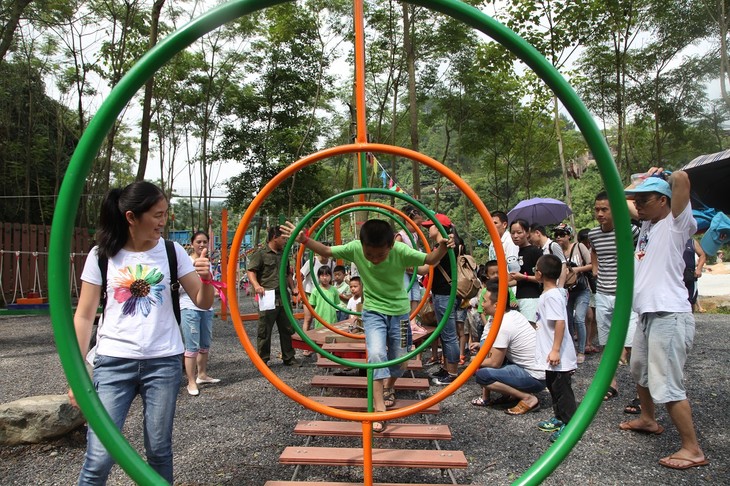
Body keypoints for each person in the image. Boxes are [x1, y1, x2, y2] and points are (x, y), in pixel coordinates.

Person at [70, 181, 214, 484]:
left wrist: (208, 280)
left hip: (162, 361)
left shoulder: (173, 252)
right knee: (99, 456)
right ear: (131, 217)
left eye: (165, 214)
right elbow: (84, 315)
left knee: (159, 450)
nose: (163, 222)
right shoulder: (102, 255)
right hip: (112, 362)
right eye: (157, 215)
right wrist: (75, 374)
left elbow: (201, 301)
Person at [281, 218, 454, 433]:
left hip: (400, 315)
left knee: (402, 360)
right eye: (369, 254)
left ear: (390, 246)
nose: (374, 259)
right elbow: (326, 250)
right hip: (373, 313)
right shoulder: (355, 249)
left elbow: (429, 260)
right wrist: (305, 240)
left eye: (379, 255)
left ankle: (389, 387)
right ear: (361, 246)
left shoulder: (400, 250)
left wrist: (444, 246)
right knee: (376, 356)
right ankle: (379, 409)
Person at [620, 169, 708, 471]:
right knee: (639, 369)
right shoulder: (648, 223)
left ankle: (692, 448)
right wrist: (642, 180)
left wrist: (667, 174)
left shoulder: (677, 223)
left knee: (667, 383)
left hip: (669, 314)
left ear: (663, 200)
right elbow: (623, 198)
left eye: (645, 200)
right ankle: (648, 418)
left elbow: (682, 180)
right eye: (639, 201)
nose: (639, 204)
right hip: (648, 314)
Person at [588, 191, 640, 401]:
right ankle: (611, 384)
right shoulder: (593, 234)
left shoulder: (630, 231)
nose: (599, 214)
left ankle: (640, 392)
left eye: (604, 209)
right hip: (603, 293)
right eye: (597, 209)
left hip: (626, 295)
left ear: (615, 210)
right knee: (606, 344)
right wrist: (594, 267)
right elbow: (594, 250)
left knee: (632, 346)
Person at [470, 280, 546, 414]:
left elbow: (494, 362)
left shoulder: (504, 325)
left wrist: (472, 362)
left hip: (535, 377)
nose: (481, 304)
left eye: (485, 301)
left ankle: (527, 398)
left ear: (496, 305)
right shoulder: (513, 315)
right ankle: (511, 395)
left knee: (482, 375)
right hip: (540, 371)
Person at [533, 254, 577, 443]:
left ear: (539, 274)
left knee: (562, 390)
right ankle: (559, 418)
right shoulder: (554, 293)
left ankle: (571, 424)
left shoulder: (552, 296)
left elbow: (560, 322)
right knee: (553, 386)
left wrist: (556, 349)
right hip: (551, 353)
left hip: (558, 355)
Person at [247, 226, 300, 367]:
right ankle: (263, 360)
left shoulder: (284, 254)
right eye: (283, 238)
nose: (285, 241)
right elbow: (251, 271)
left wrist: (293, 288)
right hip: (268, 295)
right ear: (274, 237)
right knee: (265, 329)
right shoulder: (261, 254)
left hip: (283, 295)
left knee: (287, 327)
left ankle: (289, 357)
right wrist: (256, 285)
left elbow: (288, 273)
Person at [421, 213, 464, 385]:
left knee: (448, 335)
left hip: (445, 294)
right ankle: (447, 368)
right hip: (444, 293)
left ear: (438, 227)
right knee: (446, 333)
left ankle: (452, 373)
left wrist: (403, 264)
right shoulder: (448, 243)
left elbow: (425, 268)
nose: (427, 229)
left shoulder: (444, 245)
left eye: (429, 226)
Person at [180, 231, 220, 397]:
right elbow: (181, 286)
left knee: (205, 343)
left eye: (205, 242)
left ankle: (202, 375)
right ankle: (190, 381)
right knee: (192, 346)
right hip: (189, 307)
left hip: (206, 308)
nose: (202, 245)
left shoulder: (207, 262)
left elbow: (208, 283)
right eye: (198, 242)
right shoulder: (186, 262)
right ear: (192, 243)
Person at [554, 224, 592, 364]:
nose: (558, 237)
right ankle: (571, 350)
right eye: (556, 234)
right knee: (567, 320)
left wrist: (576, 270)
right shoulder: (556, 251)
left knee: (579, 319)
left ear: (568, 235)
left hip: (582, 289)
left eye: (562, 234)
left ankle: (581, 350)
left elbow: (592, 264)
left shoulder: (579, 247)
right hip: (566, 291)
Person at [395, 205, 426, 331]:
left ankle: (412, 321)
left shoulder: (415, 236)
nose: (419, 228)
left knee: (416, 295)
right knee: (406, 295)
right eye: (417, 224)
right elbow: (395, 254)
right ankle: (404, 321)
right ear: (408, 221)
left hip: (413, 271)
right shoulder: (400, 236)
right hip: (403, 271)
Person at [508, 219, 543, 324]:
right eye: (513, 233)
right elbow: (519, 279)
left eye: (519, 232)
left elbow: (542, 278)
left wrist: (523, 277)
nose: (515, 236)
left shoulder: (535, 252)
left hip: (532, 298)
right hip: (520, 298)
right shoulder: (517, 252)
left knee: (531, 329)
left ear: (527, 233)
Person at [299, 251, 334, 330]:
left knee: (324, 316)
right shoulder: (312, 261)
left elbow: (333, 279)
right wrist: (299, 291)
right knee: (308, 318)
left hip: (323, 293)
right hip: (310, 292)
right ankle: (305, 338)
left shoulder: (332, 263)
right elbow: (301, 275)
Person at [577, 228, 599, 354]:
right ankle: (586, 343)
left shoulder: (595, 249)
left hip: (594, 284)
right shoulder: (581, 249)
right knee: (588, 316)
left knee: (594, 316)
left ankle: (589, 342)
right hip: (586, 285)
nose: (588, 244)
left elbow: (592, 264)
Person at [682, 239, 706, 313]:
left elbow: (702, 255)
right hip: (674, 274)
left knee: (691, 299)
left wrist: (699, 269)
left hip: (689, 274)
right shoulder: (671, 239)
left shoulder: (692, 242)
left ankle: (690, 319)